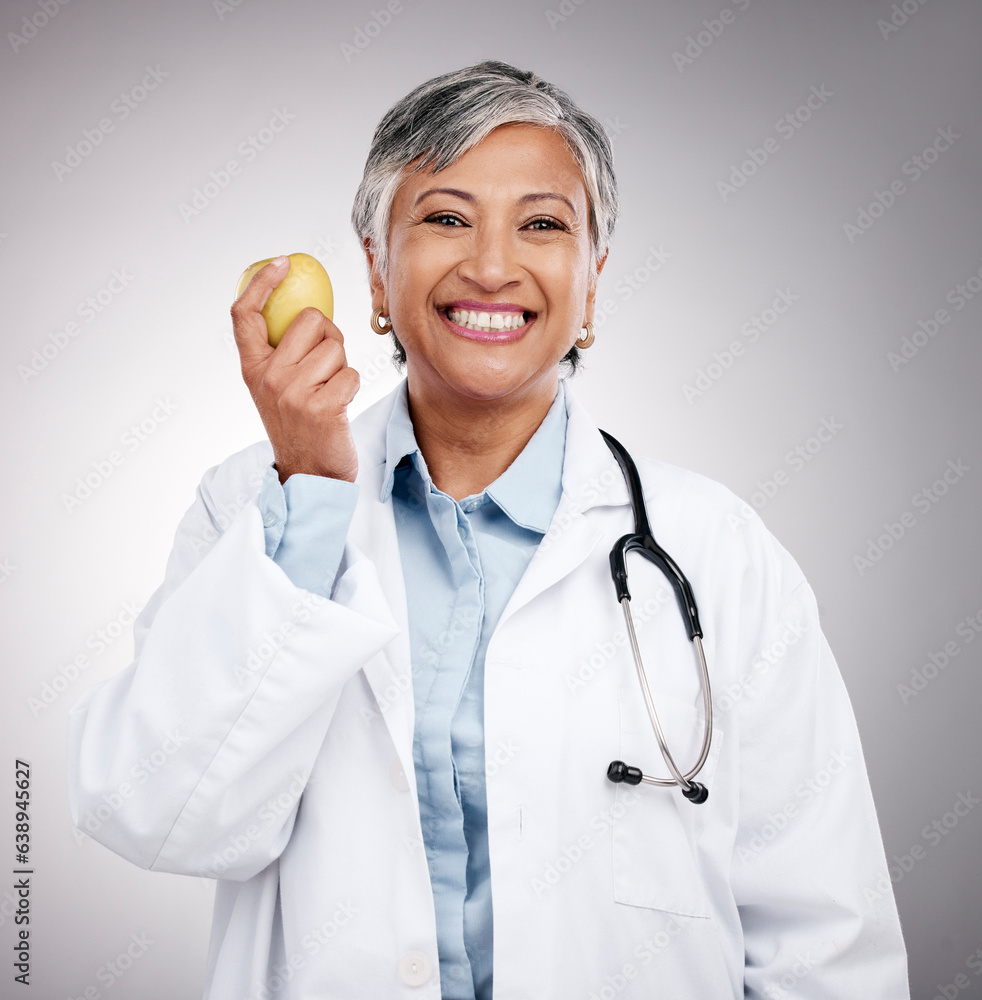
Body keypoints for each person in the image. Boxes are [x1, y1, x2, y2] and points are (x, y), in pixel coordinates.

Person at [68, 61, 910, 999]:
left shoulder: (717, 552)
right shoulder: (253, 508)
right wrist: (309, 491)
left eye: (544, 224)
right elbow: (154, 811)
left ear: (592, 284)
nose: (493, 265)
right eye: (445, 217)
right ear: (376, 270)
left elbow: (825, 944)